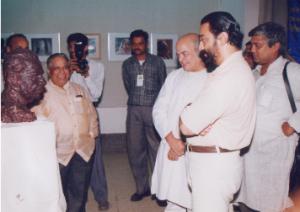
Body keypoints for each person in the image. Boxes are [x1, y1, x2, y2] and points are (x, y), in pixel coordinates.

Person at [179, 11, 256, 212]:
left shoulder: (228, 76)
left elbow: (186, 126)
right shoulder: (230, 69)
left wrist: (188, 112)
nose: (201, 46)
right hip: (215, 163)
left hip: (213, 168)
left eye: (204, 40)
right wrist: (191, 111)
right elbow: (193, 117)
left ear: (222, 38)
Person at [236, 22, 300, 212]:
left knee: (269, 205)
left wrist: (292, 125)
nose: (252, 50)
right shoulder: (254, 74)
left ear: (275, 46)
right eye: (252, 45)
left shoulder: (292, 72)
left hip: (273, 157)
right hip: (248, 155)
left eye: (258, 45)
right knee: (245, 202)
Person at [32, 53, 99, 212]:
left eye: (65, 68)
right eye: (57, 68)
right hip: (58, 154)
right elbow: (36, 126)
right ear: (49, 71)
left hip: (83, 151)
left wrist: (92, 135)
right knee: (58, 196)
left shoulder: (80, 89)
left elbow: (91, 113)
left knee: (79, 194)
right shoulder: (41, 94)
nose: (62, 72)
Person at [151, 33, 207, 212]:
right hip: (171, 145)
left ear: (200, 51)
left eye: (185, 54)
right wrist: (171, 140)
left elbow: (208, 119)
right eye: (178, 55)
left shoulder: (213, 79)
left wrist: (182, 146)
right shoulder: (174, 77)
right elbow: (159, 110)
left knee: (198, 201)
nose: (180, 59)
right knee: (174, 201)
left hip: (198, 152)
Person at [122, 29, 167, 203]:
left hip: (153, 110)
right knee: (135, 150)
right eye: (134, 43)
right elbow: (128, 86)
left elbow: (164, 86)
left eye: (141, 43)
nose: (137, 47)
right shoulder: (127, 64)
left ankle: (159, 190)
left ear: (146, 44)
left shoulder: (157, 62)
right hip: (134, 111)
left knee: (156, 150)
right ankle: (142, 188)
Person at [67, 33, 108, 210]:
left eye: (77, 47)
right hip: (68, 116)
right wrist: (67, 72)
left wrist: (85, 75)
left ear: (85, 48)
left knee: (95, 158)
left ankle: (101, 197)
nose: (74, 51)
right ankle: (75, 200)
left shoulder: (97, 67)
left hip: (88, 115)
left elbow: (96, 95)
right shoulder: (63, 66)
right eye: (71, 47)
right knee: (70, 159)